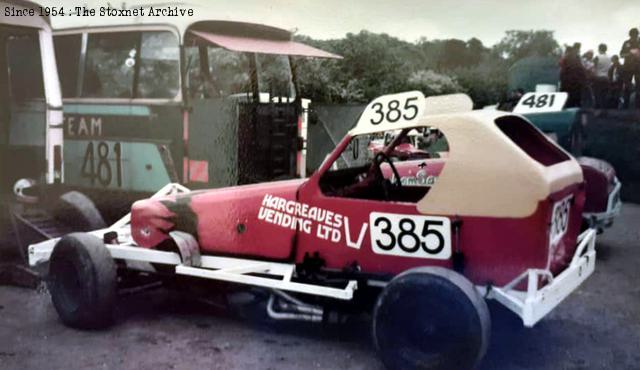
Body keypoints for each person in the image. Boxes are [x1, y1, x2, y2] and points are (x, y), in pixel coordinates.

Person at [620, 28, 640, 109]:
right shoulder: (626, 43)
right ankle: (626, 106)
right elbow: (621, 55)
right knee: (627, 86)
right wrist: (630, 54)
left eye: (635, 35)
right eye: (632, 35)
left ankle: (637, 107)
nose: (634, 37)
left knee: (639, 86)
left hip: (638, 67)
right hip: (628, 67)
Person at [593, 44, 613, 109]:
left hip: (598, 78)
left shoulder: (597, 57)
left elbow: (594, 67)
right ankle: (604, 111)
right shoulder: (609, 58)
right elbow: (610, 68)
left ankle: (598, 111)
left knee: (598, 95)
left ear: (599, 49)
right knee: (604, 96)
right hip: (606, 78)